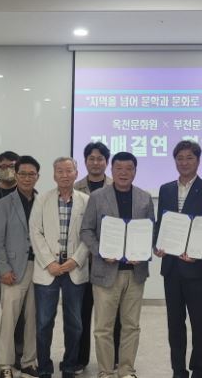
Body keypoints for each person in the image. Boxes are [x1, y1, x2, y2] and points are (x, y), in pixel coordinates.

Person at [80, 152, 155, 378]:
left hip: (135, 273)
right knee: (103, 327)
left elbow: (150, 231)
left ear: (135, 171)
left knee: (131, 325)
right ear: (111, 170)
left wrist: (143, 251)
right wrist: (101, 252)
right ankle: (105, 370)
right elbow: (86, 230)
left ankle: (126, 370)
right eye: (119, 168)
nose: (124, 173)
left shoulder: (144, 198)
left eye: (129, 168)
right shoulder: (98, 197)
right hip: (105, 272)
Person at [154, 140, 202, 378]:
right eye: (180, 158)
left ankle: (201, 371)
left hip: (197, 269)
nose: (184, 162)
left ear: (198, 161)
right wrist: (157, 245)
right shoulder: (166, 189)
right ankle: (178, 370)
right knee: (175, 324)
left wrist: (197, 252)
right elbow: (161, 224)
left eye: (189, 158)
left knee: (199, 323)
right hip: (171, 268)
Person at [30, 157, 90, 378]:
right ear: (54, 175)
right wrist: (50, 263)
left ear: (76, 173)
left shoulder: (86, 200)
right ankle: (44, 367)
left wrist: (75, 260)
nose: (65, 175)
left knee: (75, 324)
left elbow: (90, 233)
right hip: (48, 270)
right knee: (44, 323)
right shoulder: (42, 199)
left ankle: (69, 366)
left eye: (69, 170)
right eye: (60, 171)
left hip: (74, 269)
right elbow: (35, 232)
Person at [0, 155, 41, 378]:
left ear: (38, 176)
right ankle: (5, 363)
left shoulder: (43, 201)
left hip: (39, 268)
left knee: (33, 317)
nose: (27, 178)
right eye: (23, 174)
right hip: (13, 269)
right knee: (9, 318)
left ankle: (29, 361)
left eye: (31, 174)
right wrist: (3, 269)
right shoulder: (4, 203)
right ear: (16, 175)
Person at [74, 141, 119, 373]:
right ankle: (79, 358)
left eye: (100, 158)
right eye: (91, 158)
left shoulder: (117, 187)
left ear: (106, 162)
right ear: (85, 161)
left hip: (111, 264)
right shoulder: (75, 188)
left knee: (112, 315)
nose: (95, 162)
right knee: (81, 313)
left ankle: (114, 359)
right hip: (82, 262)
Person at [0, 150, 23, 372]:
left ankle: (18, 354)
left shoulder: (28, 192)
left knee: (18, 314)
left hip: (17, 264)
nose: (7, 169)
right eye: (2, 166)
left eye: (11, 165)